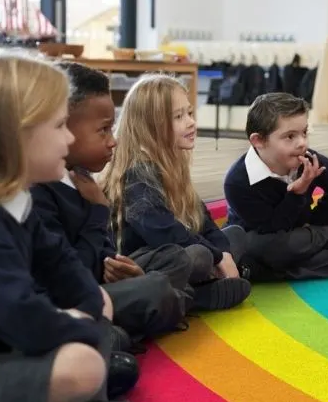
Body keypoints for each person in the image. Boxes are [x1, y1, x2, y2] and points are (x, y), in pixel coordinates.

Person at [0, 50, 154, 402]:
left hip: (2, 349)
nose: (68, 137)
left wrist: (90, 310)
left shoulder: (17, 202)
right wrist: (81, 327)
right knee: (82, 364)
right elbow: (19, 314)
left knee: (97, 310)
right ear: (15, 133)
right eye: (60, 124)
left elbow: (61, 264)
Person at [31, 62, 194, 342]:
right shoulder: (40, 191)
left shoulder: (80, 177)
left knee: (175, 259)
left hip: (96, 285)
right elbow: (68, 277)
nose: (113, 141)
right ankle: (172, 306)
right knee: (156, 289)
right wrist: (98, 212)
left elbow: (103, 253)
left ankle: (135, 321)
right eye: (104, 130)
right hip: (70, 298)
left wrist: (121, 270)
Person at [101, 73, 251, 311]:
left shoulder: (173, 164)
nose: (191, 121)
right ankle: (196, 297)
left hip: (176, 252)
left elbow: (204, 221)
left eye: (189, 113)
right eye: (179, 116)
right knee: (198, 256)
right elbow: (165, 234)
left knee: (234, 235)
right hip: (144, 262)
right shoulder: (138, 172)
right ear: (151, 127)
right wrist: (216, 257)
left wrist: (223, 253)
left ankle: (198, 288)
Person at [223, 92, 328, 281]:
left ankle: (263, 270)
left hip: (300, 228)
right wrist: (298, 194)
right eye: (290, 136)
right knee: (275, 249)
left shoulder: (306, 159)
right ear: (259, 141)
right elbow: (272, 228)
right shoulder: (237, 182)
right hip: (261, 235)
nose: (302, 143)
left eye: (304, 132)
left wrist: (317, 219)